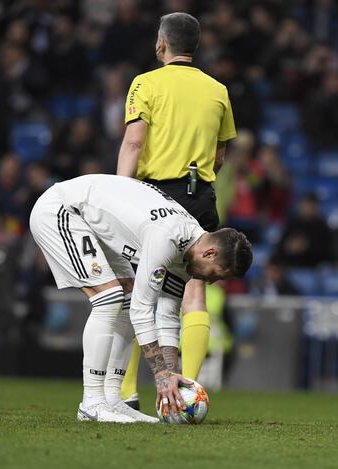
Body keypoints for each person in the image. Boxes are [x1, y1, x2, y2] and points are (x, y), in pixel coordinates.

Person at [29, 174, 252, 423]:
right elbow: (143, 310)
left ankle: (113, 399)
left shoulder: (186, 252)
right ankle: (91, 402)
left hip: (93, 223)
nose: (211, 282)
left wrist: (172, 374)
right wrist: (160, 376)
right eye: (216, 275)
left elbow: (167, 316)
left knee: (124, 300)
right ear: (209, 253)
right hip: (62, 209)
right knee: (110, 299)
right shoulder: (167, 237)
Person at [116, 12, 237, 409]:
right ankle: (188, 393)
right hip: (199, 193)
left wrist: (122, 193)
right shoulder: (217, 89)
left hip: (152, 195)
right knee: (194, 291)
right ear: (196, 47)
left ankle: (126, 393)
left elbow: (134, 143)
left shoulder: (146, 83)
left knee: (138, 288)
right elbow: (219, 156)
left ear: (161, 44)